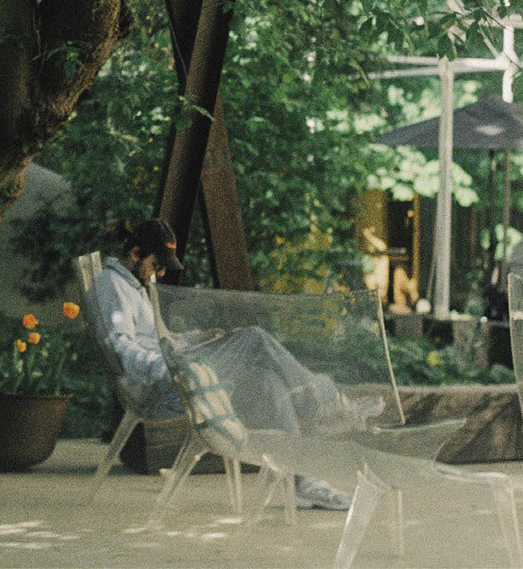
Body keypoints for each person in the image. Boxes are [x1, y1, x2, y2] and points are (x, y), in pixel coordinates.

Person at [93, 218, 354, 510]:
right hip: (160, 385)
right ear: (135, 254)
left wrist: (196, 338)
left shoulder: (133, 286)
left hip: (173, 371)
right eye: (157, 265)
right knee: (254, 338)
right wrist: (168, 369)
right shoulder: (112, 286)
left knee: (266, 379)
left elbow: (157, 339)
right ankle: (325, 399)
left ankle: (302, 482)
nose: (162, 273)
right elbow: (122, 348)